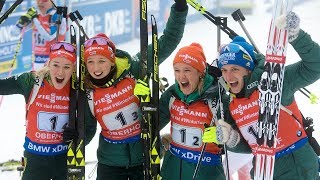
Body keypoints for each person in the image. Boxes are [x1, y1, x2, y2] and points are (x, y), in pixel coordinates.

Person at [78, 0, 189, 179]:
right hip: (110, 163)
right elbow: (88, 129)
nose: (96, 68)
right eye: (90, 62)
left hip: (143, 157)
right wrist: (73, 139)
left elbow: (168, 42)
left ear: (112, 60)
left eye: (102, 61)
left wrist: (180, 9)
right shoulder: (88, 90)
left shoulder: (135, 69)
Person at [204, 11, 320, 179]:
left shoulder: (275, 82)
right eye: (224, 70)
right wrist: (230, 138)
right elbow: (248, 145)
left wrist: (296, 35)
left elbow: (315, 65)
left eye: (235, 69)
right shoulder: (232, 103)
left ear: (248, 69)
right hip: (263, 170)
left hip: (296, 166)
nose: (229, 77)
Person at [0, 41, 78, 180]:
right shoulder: (32, 81)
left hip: (64, 159)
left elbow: (89, 125)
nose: (60, 72)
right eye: (55, 65)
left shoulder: (78, 88)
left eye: (66, 67)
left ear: (73, 68)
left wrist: (76, 136)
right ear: (48, 64)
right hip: (34, 158)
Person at [158, 43, 227, 180]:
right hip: (172, 170)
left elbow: (236, 139)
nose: (181, 77)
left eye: (187, 70)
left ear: (200, 72)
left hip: (206, 173)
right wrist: (144, 103)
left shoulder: (216, 98)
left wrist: (222, 135)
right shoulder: (172, 95)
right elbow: (149, 125)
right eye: (177, 70)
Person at [15, 0, 67, 70]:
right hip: (37, 60)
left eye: (44, 0)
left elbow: (49, 37)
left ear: (52, 1)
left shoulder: (56, 16)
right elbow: (14, 33)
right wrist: (20, 23)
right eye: (38, 0)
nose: (40, 2)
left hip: (53, 61)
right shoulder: (37, 15)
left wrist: (35, 20)